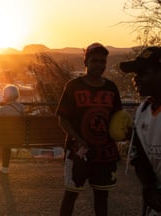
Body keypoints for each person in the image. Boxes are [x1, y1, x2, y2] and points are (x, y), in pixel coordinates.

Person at [56, 42, 122, 216]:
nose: (99, 65)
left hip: (105, 153)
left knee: (102, 197)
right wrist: (79, 140)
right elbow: (63, 119)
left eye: (102, 61)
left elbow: (118, 119)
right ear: (85, 62)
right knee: (70, 195)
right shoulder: (73, 86)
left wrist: (124, 132)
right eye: (94, 61)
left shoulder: (111, 88)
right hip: (78, 152)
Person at [120, 46, 161, 215]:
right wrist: (149, 189)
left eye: (142, 73)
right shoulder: (142, 111)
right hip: (158, 202)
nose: (136, 79)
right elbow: (140, 157)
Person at [0, 84, 24, 174]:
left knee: (6, 143)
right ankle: (4, 167)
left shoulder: (2, 109)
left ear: (5, 95)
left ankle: (4, 167)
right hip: (19, 137)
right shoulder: (21, 108)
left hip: (5, 138)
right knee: (7, 139)